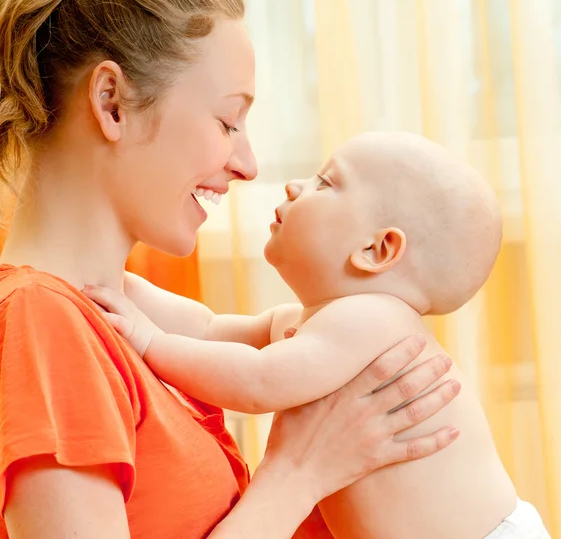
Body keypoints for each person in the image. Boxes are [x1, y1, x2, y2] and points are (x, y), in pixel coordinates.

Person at [0, 0, 462, 537]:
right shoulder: (41, 322)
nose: (247, 164)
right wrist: (299, 471)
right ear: (112, 102)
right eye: (227, 121)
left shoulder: (117, 313)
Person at [86, 131, 551, 539]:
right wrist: (121, 283)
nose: (295, 186)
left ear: (377, 249)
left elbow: (258, 383)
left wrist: (149, 342)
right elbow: (208, 329)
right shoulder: (324, 325)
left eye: (325, 183)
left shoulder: (374, 320)